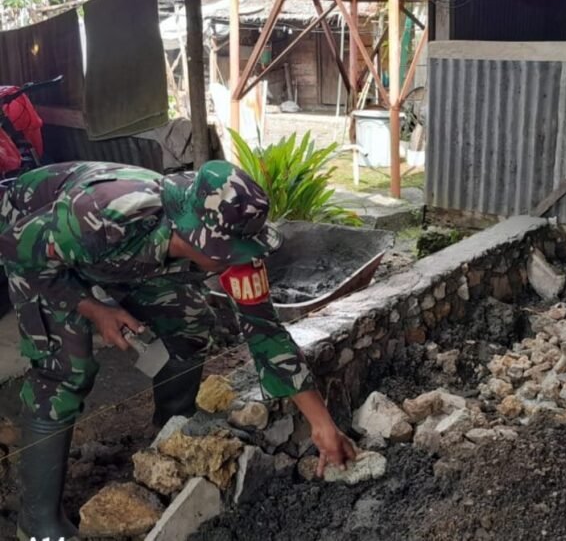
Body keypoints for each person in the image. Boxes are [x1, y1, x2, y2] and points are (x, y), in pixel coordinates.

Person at [0, 160, 357, 541]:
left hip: (112, 255)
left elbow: (266, 330)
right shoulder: (102, 214)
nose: (238, 260)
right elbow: (18, 252)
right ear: (195, 239)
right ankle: (38, 522)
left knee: (191, 321)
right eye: (228, 253)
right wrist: (95, 308)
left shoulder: (229, 233)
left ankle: (172, 431)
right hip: (36, 246)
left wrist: (322, 424)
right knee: (65, 373)